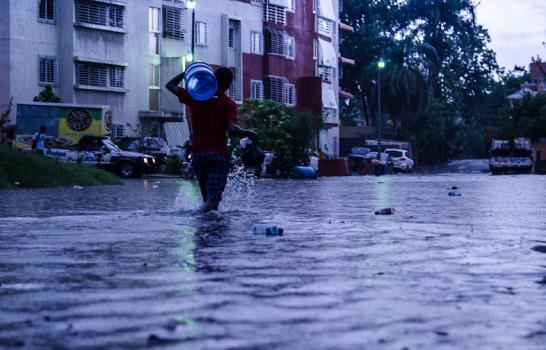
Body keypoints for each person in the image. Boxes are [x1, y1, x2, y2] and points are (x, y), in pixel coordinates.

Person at [166, 66, 258, 212]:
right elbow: (232, 130)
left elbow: (170, 85)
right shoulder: (228, 104)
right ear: (228, 84)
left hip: (198, 156)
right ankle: (197, 219)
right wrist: (249, 133)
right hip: (217, 156)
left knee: (208, 200)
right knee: (213, 201)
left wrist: (188, 73)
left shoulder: (196, 97)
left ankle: (206, 232)